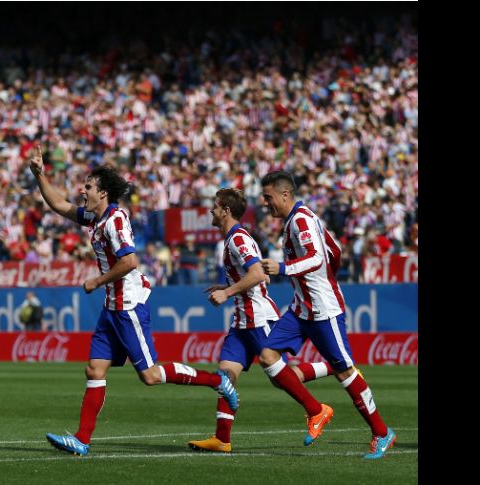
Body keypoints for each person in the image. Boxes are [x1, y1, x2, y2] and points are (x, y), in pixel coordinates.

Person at [29, 146, 237, 457]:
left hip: (128, 305)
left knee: (150, 376)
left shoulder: (115, 220)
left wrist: (96, 281)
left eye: (88, 186)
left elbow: (130, 261)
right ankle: (82, 440)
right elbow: (59, 205)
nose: (82, 190)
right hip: (111, 307)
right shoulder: (94, 218)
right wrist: (39, 175)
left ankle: (217, 381)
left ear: (103, 193)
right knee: (94, 370)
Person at [257, 171, 396, 459]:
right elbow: (334, 251)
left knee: (346, 372)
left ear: (285, 195)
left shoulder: (302, 220)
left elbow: (319, 258)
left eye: (268, 197)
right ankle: (316, 410)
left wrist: (283, 269)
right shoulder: (295, 221)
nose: (265, 203)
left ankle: (382, 432)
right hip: (301, 308)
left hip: (323, 309)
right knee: (268, 358)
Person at [187, 188, 335, 453]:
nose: (211, 210)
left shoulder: (238, 239)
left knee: (282, 376)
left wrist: (227, 292)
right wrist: (227, 284)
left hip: (258, 317)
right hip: (242, 321)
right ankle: (222, 439)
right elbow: (259, 275)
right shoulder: (234, 238)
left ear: (226, 210)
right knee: (226, 376)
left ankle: (321, 398)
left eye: (215, 206)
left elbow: (256, 274)